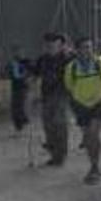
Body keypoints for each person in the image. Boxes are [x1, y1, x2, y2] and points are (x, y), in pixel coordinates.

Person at [63, 38, 101, 185]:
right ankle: (93, 164)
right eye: (84, 47)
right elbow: (69, 85)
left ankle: (95, 167)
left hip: (98, 103)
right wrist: (79, 98)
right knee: (88, 136)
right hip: (80, 104)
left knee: (93, 134)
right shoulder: (72, 67)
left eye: (90, 47)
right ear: (78, 50)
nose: (88, 51)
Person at [34, 33, 73, 166]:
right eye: (48, 44)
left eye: (53, 44)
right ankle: (54, 153)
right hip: (46, 95)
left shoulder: (67, 59)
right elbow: (36, 75)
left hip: (61, 95)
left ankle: (60, 155)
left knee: (59, 124)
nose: (50, 46)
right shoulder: (42, 59)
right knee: (48, 125)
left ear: (61, 45)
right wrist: (34, 94)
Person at [7, 45, 32, 135]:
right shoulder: (12, 63)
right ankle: (18, 127)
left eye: (18, 51)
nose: (16, 53)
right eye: (14, 52)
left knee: (21, 107)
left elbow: (31, 72)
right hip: (15, 87)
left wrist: (27, 77)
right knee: (14, 108)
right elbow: (9, 74)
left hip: (23, 87)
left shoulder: (26, 62)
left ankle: (23, 124)